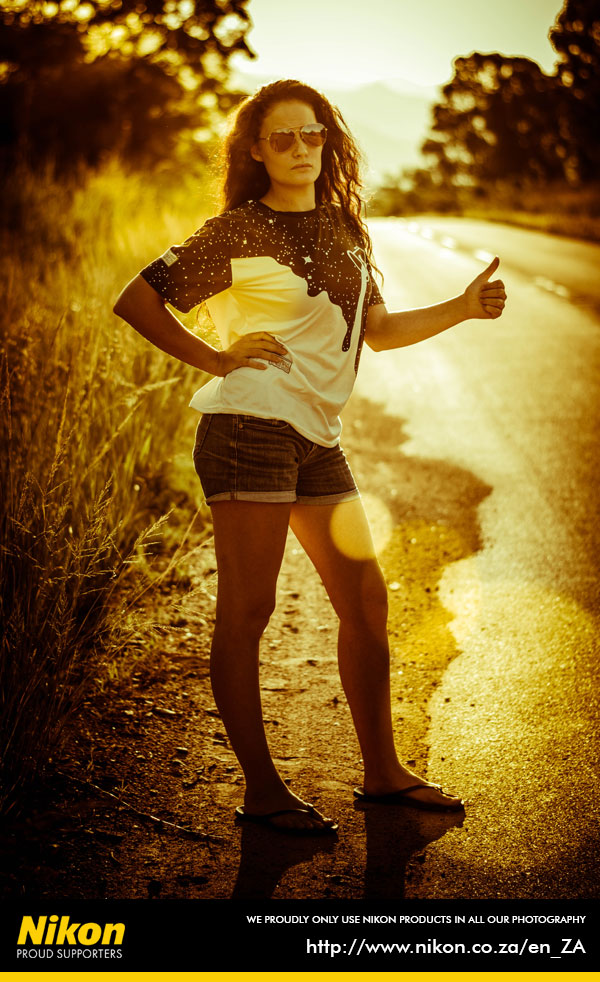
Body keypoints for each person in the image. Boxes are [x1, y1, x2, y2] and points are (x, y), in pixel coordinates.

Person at [113, 79, 506, 836]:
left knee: (365, 599)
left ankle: (383, 775)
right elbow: (137, 299)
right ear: (257, 151)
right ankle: (263, 792)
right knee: (249, 609)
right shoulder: (236, 232)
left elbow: (377, 332)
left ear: (329, 141)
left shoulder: (345, 227)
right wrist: (216, 358)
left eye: (313, 133)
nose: (301, 148)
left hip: (318, 437)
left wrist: (461, 308)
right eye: (283, 137)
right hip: (248, 427)